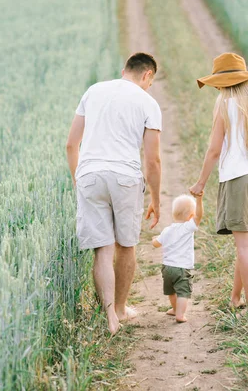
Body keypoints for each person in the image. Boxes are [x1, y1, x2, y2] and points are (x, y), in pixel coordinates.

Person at [66, 52, 162, 334]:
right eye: (150, 82)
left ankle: (109, 317)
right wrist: (156, 198)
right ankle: (121, 308)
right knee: (126, 245)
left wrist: (78, 180)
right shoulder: (148, 102)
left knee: (102, 249)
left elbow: (72, 144)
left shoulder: (93, 91)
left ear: (124, 70)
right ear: (147, 75)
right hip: (125, 177)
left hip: (90, 174)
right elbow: (153, 160)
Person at [189, 52, 248, 318]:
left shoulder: (224, 102)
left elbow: (213, 151)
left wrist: (200, 183)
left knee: (243, 248)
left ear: (222, 82)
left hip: (239, 178)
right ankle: (235, 298)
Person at [152, 194, 203, 323]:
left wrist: (154, 240)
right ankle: (180, 314)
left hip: (167, 268)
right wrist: (199, 199)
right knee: (183, 292)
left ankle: (175, 309)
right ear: (191, 216)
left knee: (171, 291)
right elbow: (199, 215)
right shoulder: (188, 227)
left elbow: (156, 243)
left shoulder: (167, 230)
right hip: (182, 268)